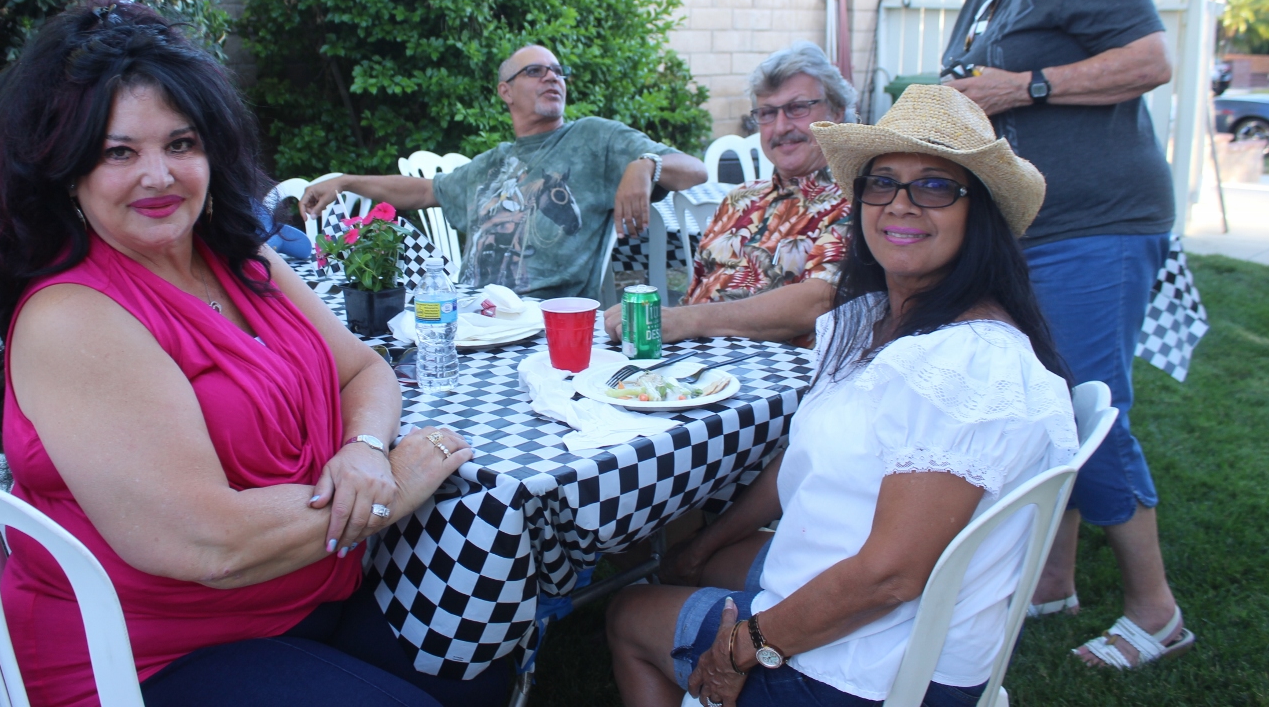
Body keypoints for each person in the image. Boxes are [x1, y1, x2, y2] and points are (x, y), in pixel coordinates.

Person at [0, 0, 507, 707]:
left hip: (305, 596)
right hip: (150, 657)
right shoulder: (74, 317)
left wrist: (366, 448)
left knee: (480, 652)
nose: (159, 175)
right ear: (69, 172)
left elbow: (364, 368)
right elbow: (208, 546)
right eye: (120, 152)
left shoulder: (242, 264)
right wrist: (393, 487)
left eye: (181, 144)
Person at [605, 84, 1080, 707]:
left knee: (629, 612)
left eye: (935, 187)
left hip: (872, 667)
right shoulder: (876, 319)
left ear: (981, 213)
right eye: (881, 183)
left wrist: (741, 646)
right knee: (697, 561)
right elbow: (803, 455)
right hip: (859, 593)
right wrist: (705, 546)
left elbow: (889, 576)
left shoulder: (967, 362)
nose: (899, 205)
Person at [940, 0, 1192, 668]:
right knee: (1046, 401)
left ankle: (1156, 611)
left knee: (1090, 405)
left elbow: (1154, 58)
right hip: (1027, 225)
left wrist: (1027, 86)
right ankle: (1051, 579)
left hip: (1099, 221)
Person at [299, 45, 707, 299]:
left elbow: (695, 171)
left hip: (544, 322)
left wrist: (646, 163)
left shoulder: (594, 138)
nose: (552, 76)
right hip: (472, 317)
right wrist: (346, 181)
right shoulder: (494, 161)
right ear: (505, 91)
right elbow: (423, 192)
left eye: (557, 70)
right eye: (535, 70)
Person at [604, 43, 852, 347]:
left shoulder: (857, 201)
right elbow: (695, 294)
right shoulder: (740, 199)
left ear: (837, 112)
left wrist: (686, 321)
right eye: (767, 113)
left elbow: (818, 302)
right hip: (692, 373)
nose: (781, 127)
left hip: (772, 381)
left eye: (797, 108)